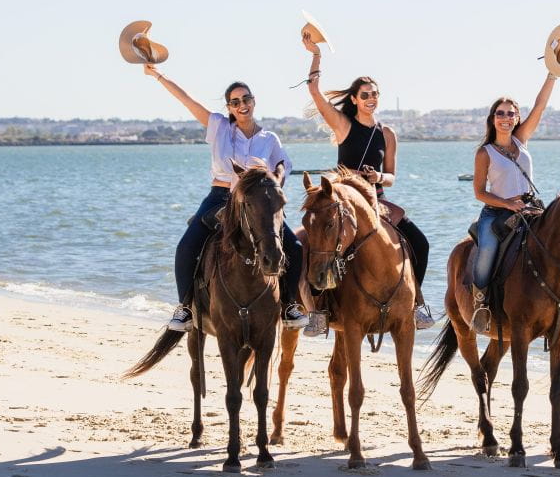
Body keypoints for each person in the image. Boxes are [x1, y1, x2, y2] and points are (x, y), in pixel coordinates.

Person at [142, 64, 309, 332]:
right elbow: (186, 100)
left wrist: (273, 181)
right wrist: (158, 75)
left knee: (294, 247)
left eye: (246, 99)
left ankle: (289, 305)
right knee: (186, 246)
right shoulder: (219, 126)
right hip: (221, 197)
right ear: (229, 107)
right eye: (235, 102)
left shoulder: (270, 138)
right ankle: (185, 308)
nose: (241, 105)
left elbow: (283, 165)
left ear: (253, 101)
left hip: (258, 202)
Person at [299, 34, 434, 335]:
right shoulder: (343, 125)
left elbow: (392, 176)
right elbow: (314, 90)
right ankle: (317, 310)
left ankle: (417, 304)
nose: (371, 99)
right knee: (311, 244)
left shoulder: (387, 133)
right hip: (344, 203)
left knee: (421, 243)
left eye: (374, 94)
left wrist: (377, 179)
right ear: (354, 100)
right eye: (365, 95)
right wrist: (316, 55)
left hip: (379, 203)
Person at [469, 71, 557, 333]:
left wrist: (553, 74)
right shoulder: (485, 152)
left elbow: (540, 105)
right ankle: (481, 302)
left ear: (517, 118)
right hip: (496, 212)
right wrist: (508, 204)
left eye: (510, 113)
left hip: (531, 208)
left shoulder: (522, 139)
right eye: (500, 113)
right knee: (486, 252)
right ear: (493, 119)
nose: (506, 118)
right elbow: (479, 192)